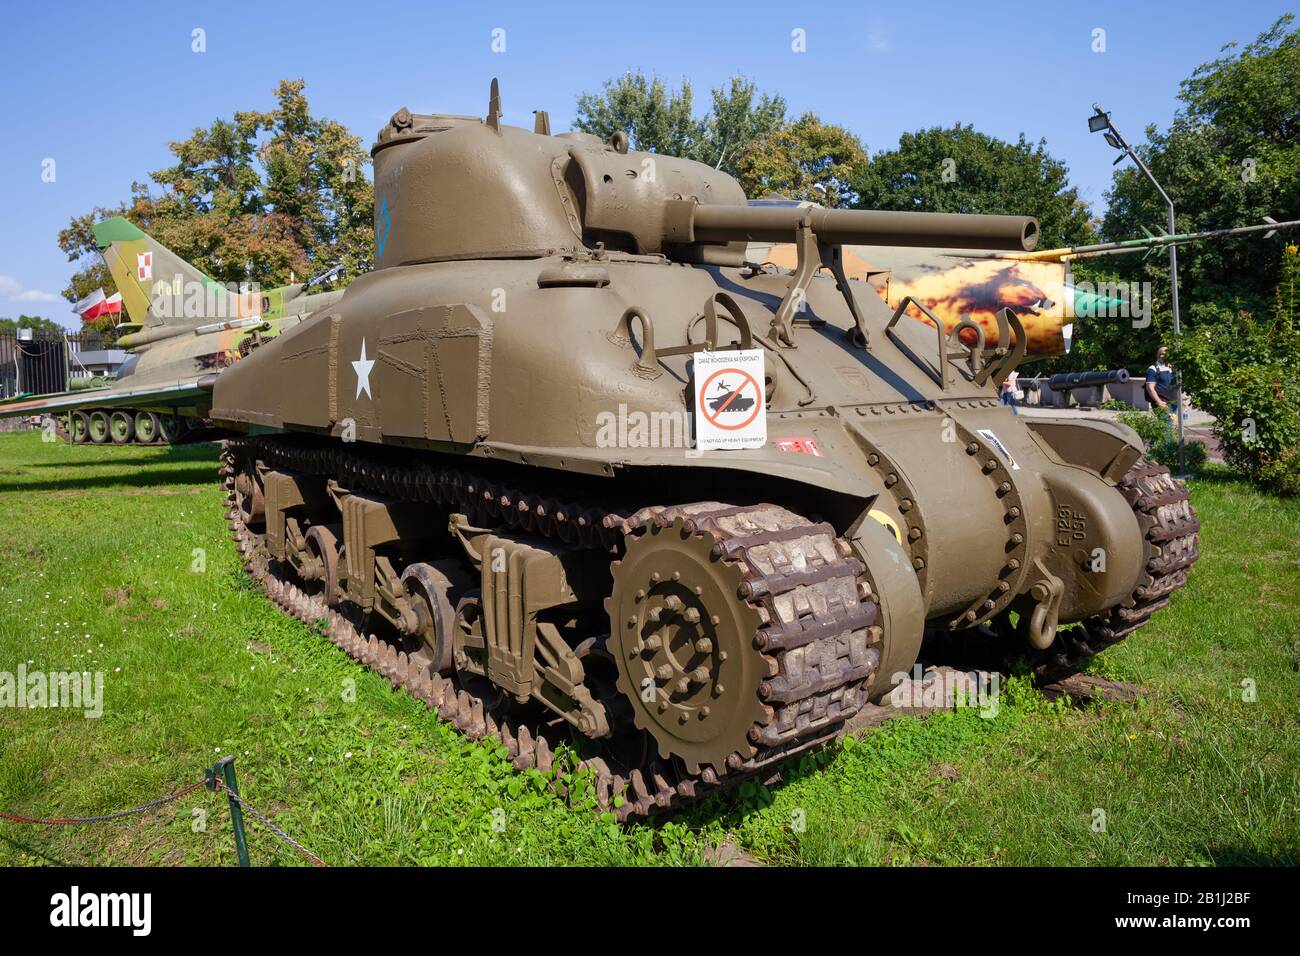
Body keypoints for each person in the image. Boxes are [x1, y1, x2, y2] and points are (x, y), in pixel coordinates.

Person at [1144, 345, 1178, 436]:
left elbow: (1178, 384)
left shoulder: (1173, 367)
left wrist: (1182, 399)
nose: (1163, 355)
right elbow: (1150, 388)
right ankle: (1166, 448)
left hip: (1174, 403)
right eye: (1161, 353)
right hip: (1162, 403)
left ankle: (1161, 446)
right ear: (1158, 355)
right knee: (1166, 426)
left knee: (1168, 426)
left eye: (1166, 353)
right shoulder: (1153, 369)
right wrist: (1158, 402)